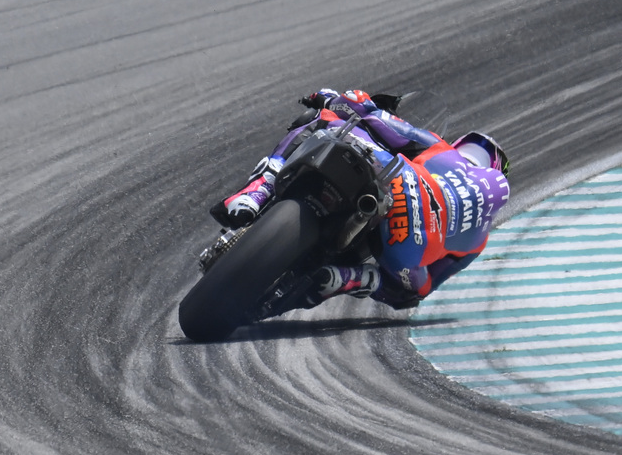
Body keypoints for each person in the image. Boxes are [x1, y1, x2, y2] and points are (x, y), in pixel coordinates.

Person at [209, 88, 511, 309]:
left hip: (399, 189)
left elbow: (370, 115)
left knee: (322, 119)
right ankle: (348, 278)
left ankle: (259, 189)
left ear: (461, 146)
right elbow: (423, 289)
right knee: (410, 291)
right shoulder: (478, 239)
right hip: (405, 252)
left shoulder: (440, 149)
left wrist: (328, 97)